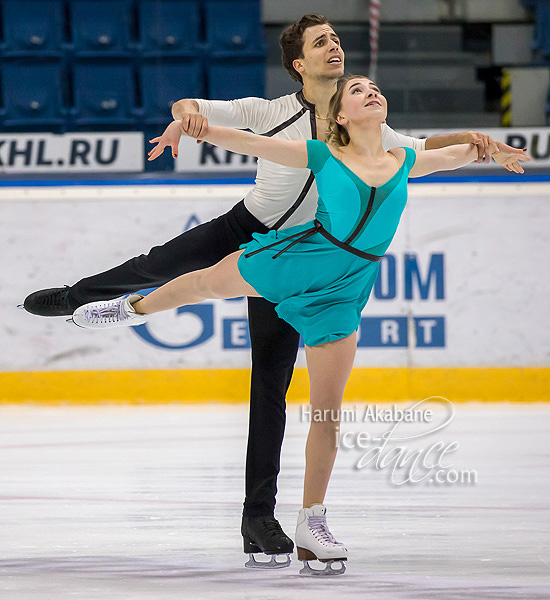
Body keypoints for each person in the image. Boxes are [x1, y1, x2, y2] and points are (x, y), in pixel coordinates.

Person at [21, 14, 529, 568]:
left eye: (336, 40)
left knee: (270, 383)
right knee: (158, 266)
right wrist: (186, 118)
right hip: (247, 226)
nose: (334, 48)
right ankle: (78, 299)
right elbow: (199, 111)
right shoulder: (272, 112)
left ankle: (257, 517)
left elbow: (422, 151)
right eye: (321, 43)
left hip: (305, 256)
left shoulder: (366, 125)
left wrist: (477, 142)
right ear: (298, 64)